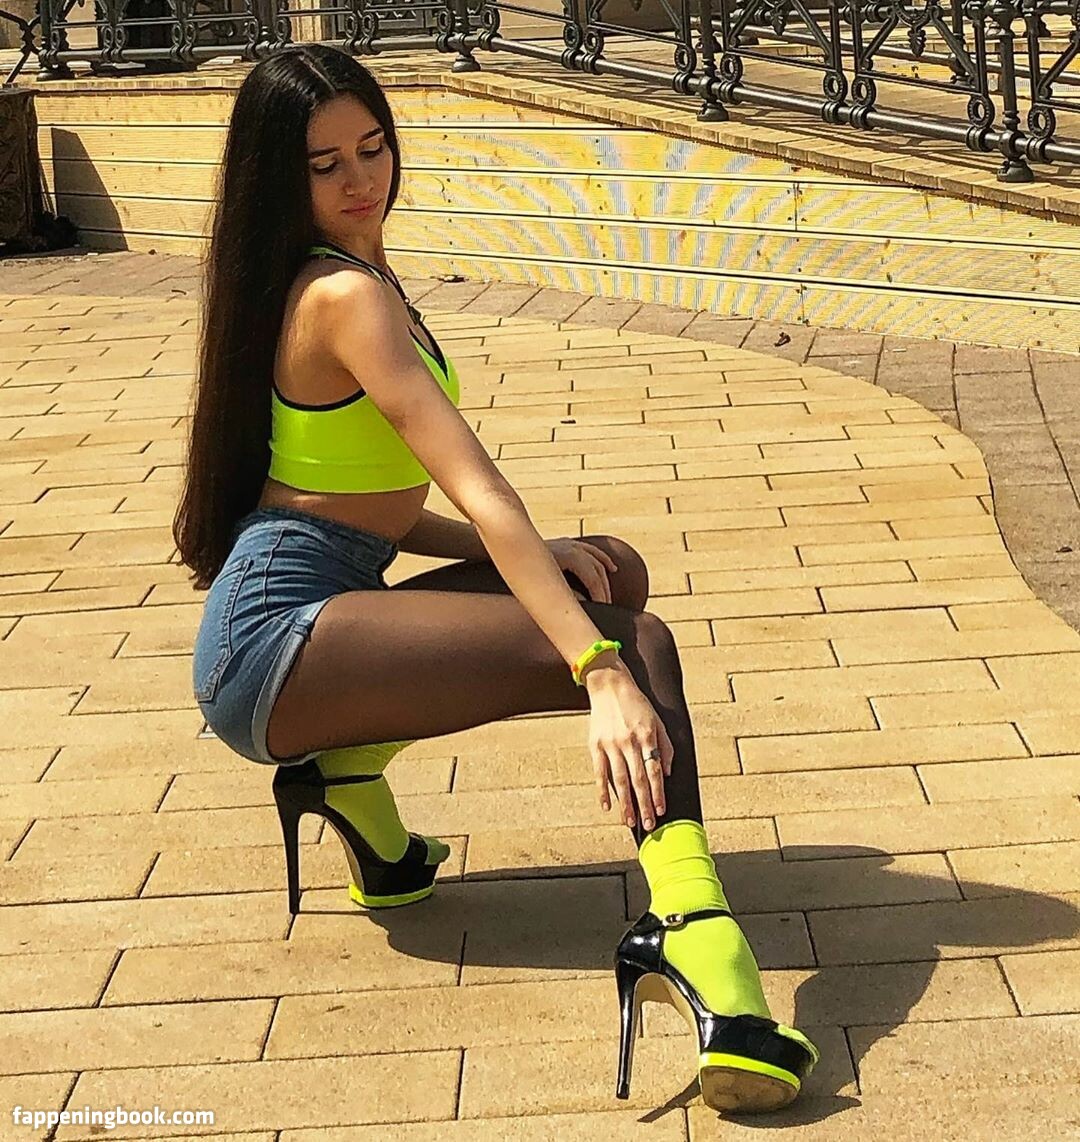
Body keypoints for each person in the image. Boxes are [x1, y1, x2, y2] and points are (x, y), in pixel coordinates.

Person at [172, 43, 817, 1114]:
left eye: (373, 147)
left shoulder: (353, 274)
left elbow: (358, 500)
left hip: (316, 603)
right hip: (272, 642)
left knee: (610, 568)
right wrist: (596, 668)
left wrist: (526, 563)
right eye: (325, 164)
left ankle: (350, 787)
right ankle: (702, 943)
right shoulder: (343, 294)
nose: (360, 178)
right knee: (635, 644)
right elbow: (480, 490)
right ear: (280, 179)